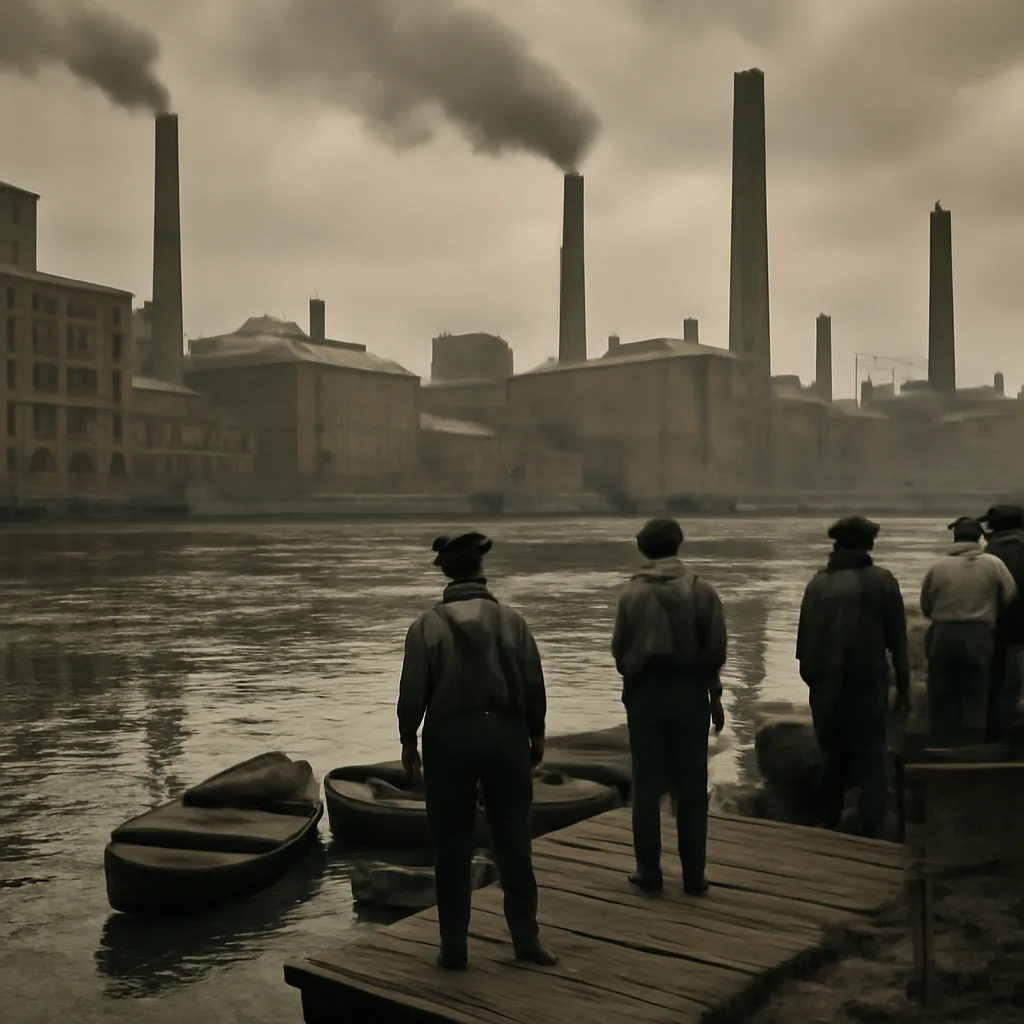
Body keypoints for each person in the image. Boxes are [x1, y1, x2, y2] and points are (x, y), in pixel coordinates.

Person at [396, 531, 557, 971]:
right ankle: (527, 941)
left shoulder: (426, 626)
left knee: (450, 846)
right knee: (514, 842)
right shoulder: (513, 622)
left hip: (448, 738)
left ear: (445, 575)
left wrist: (408, 741)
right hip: (504, 735)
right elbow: (533, 685)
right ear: (480, 571)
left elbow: (412, 694)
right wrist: (537, 734)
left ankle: (453, 948)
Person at [611, 517, 727, 896]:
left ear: (643, 549)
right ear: (678, 545)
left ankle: (649, 871)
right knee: (692, 786)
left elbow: (620, 650)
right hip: (690, 693)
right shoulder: (702, 591)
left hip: (645, 695)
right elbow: (715, 649)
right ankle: (694, 875)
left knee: (646, 786)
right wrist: (715, 695)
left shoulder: (631, 595)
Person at [796, 515, 910, 839]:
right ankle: (871, 834)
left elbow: (803, 650)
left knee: (833, 757)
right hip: (867, 686)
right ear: (869, 544)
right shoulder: (882, 582)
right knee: (872, 761)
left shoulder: (816, 585)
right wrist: (904, 691)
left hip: (825, 689)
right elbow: (898, 644)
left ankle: (824, 827)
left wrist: (818, 686)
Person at [920, 516, 1017, 746]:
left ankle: (941, 745)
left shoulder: (938, 567)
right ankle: (973, 746)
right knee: (976, 691)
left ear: (955, 537)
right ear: (980, 537)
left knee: (942, 693)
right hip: (979, 634)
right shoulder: (993, 564)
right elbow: (1011, 596)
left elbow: (926, 606)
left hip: (943, 634)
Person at [979, 505, 1024, 743]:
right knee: (1010, 687)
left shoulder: (992, 551)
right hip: (1016, 629)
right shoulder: (1018, 548)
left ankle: (993, 738)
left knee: (994, 686)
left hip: (991, 626)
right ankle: (1005, 739)